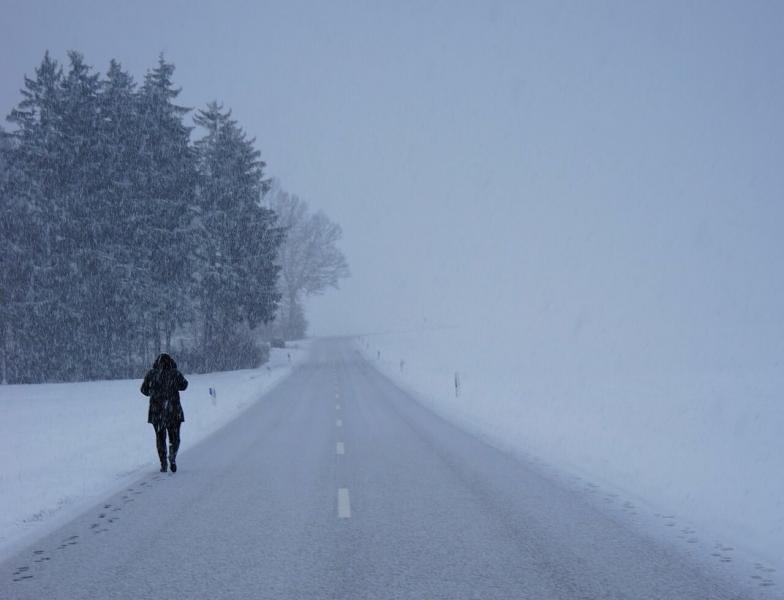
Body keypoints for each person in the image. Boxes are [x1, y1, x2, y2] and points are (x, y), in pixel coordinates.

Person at [141, 353, 188, 473]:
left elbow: (143, 390)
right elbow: (184, 385)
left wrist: (154, 393)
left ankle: (163, 463)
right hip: (174, 411)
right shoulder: (174, 373)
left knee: (160, 438)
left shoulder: (151, 374)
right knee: (175, 438)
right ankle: (172, 456)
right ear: (171, 362)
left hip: (157, 412)